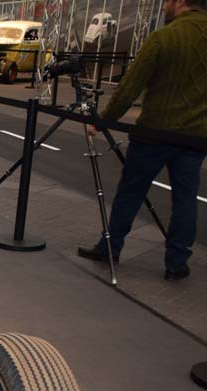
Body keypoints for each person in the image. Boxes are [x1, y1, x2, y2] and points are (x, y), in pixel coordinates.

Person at [78, 0, 207, 281]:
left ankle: (110, 248)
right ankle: (176, 263)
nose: (164, 7)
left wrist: (103, 121)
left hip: (153, 133)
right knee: (185, 200)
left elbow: (129, 87)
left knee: (131, 192)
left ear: (180, 2)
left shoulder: (164, 37)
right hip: (195, 138)